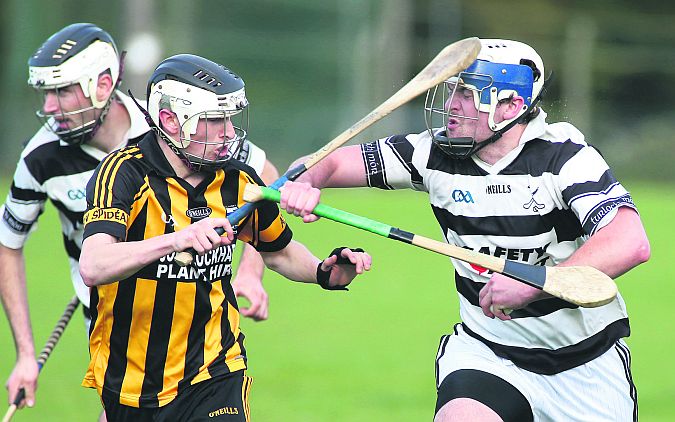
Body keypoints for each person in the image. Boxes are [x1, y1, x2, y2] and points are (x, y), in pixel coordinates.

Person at [279, 38, 650, 421]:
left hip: (585, 362)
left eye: (470, 94)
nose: (453, 104)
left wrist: (535, 282)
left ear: (512, 106)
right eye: (454, 90)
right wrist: (305, 181)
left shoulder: (565, 160)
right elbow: (331, 164)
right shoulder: (432, 153)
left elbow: (630, 241)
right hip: (489, 354)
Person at [0, 22, 275, 418]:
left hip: (195, 330)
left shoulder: (173, 127)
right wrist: (26, 355)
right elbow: (9, 244)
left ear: (102, 84)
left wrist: (251, 270)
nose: (48, 107)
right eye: (46, 94)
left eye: (61, 92)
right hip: (113, 327)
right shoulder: (40, 158)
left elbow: (262, 177)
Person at [78, 53, 371, 421]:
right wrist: (175, 239)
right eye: (215, 121)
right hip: (128, 382)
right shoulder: (123, 173)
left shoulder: (239, 182)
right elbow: (93, 265)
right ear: (171, 120)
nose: (229, 133)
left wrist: (324, 272)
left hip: (214, 370)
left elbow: (279, 252)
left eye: (229, 119)